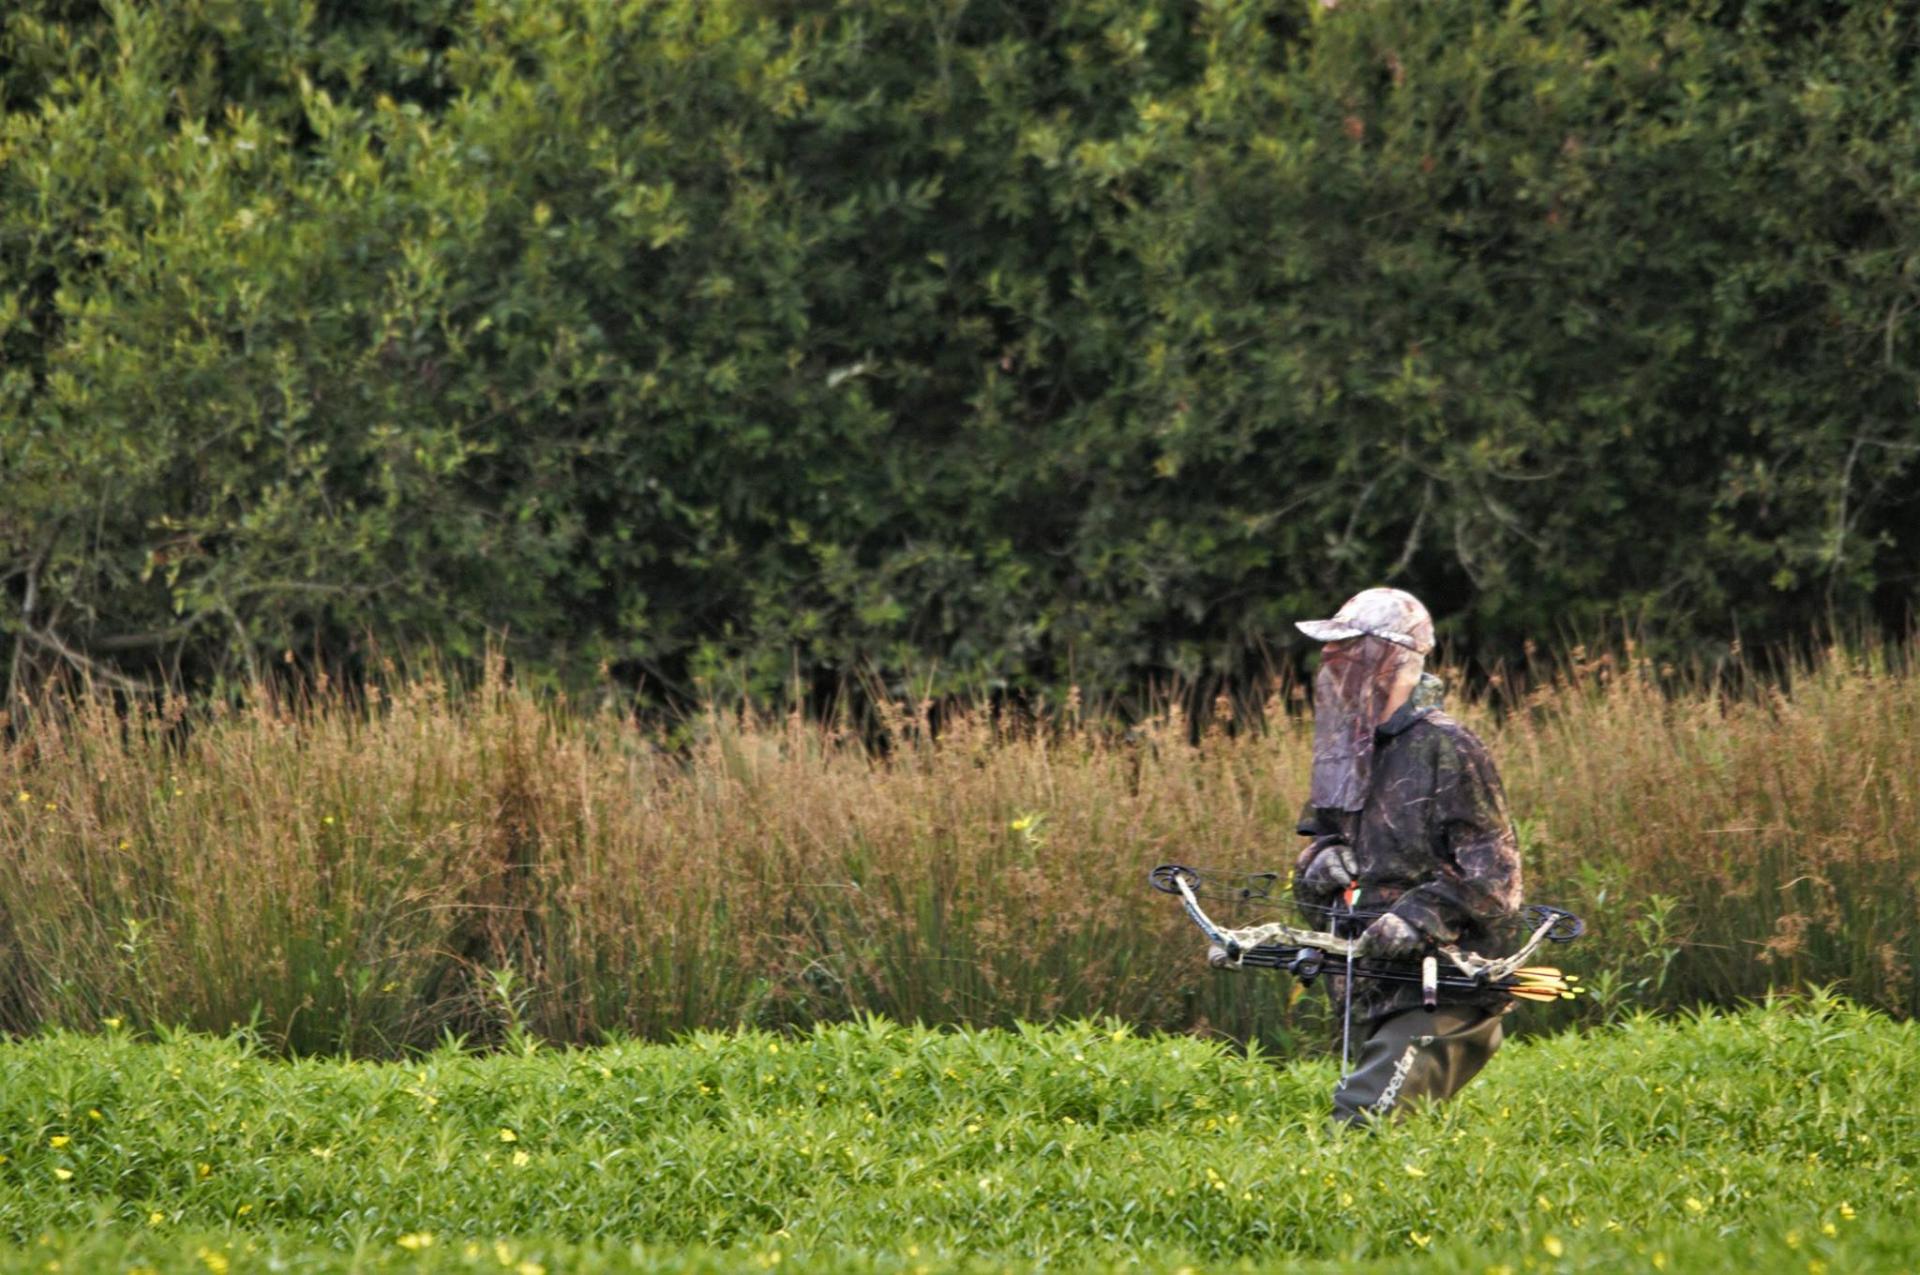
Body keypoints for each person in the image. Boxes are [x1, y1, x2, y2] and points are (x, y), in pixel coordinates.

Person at [1289, 586, 1523, 1126]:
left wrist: (1414, 919)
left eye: (1349, 650)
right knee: (1383, 1139)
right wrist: (1317, 867)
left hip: (1442, 989)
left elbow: (1497, 881)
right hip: (1368, 989)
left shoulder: (1449, 747)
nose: (1333, 663)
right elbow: (1322, 847)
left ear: (1391, 658)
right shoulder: (1348, 747)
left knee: (1363, 1123)